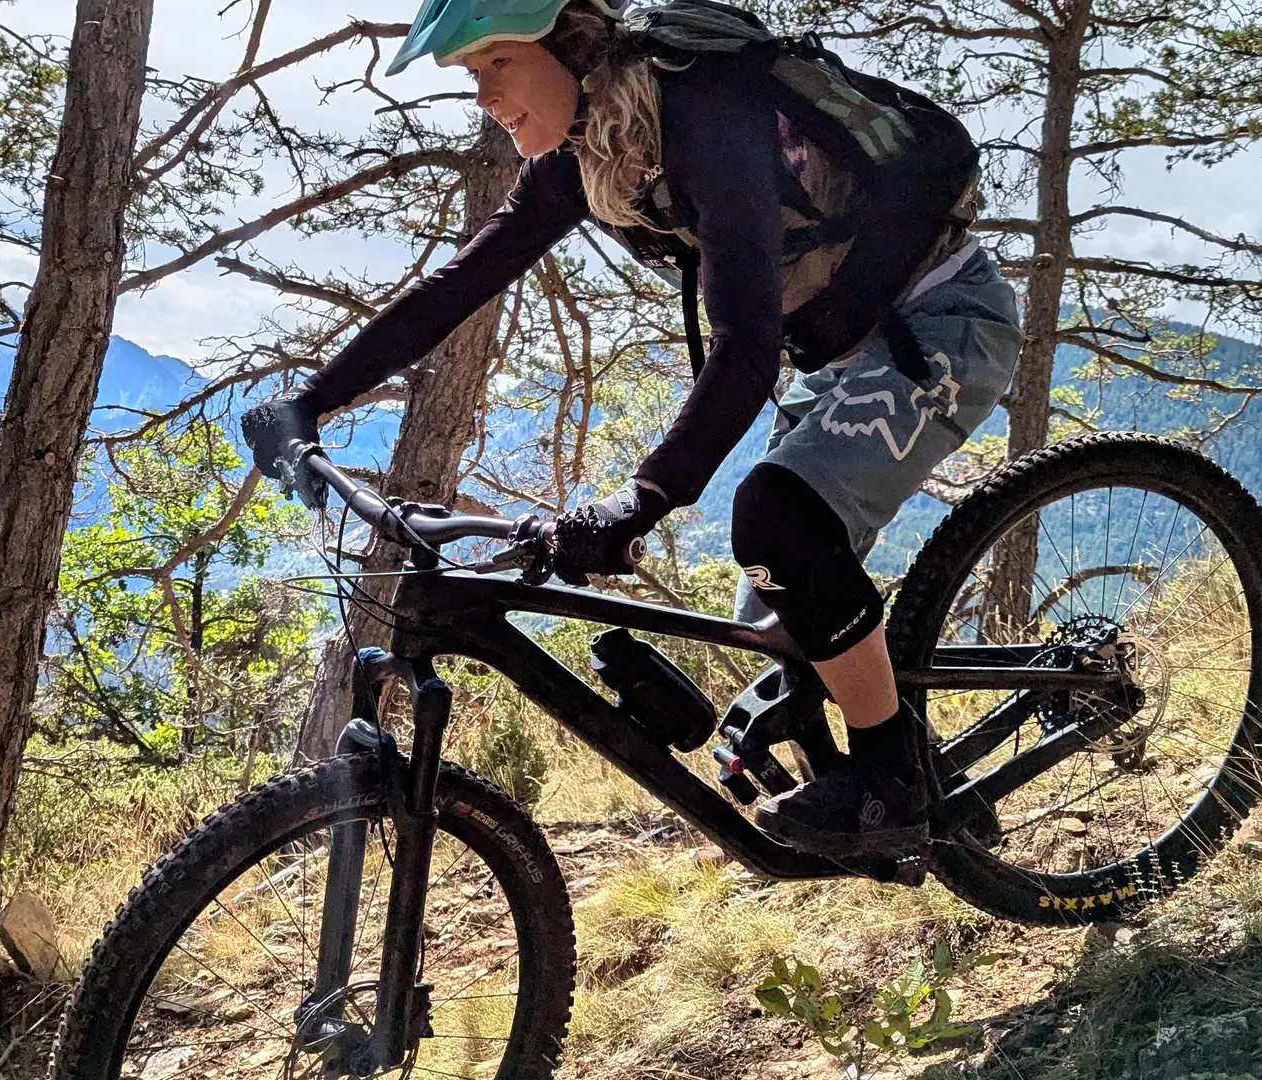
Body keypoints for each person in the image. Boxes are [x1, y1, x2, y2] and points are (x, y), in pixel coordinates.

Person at [242, 0, 1022, 857]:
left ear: (569, 45)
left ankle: (891, 786)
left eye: (497, 63)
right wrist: (313, 400)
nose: (485, 99)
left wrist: (641, 500)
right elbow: (460, 285)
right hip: (842, 352)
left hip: (938, 326)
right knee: (785, 612)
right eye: (472, 76)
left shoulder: (708, 118)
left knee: (778, 522)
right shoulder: (588, 151)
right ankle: (936, 799)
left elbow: (745, 348)